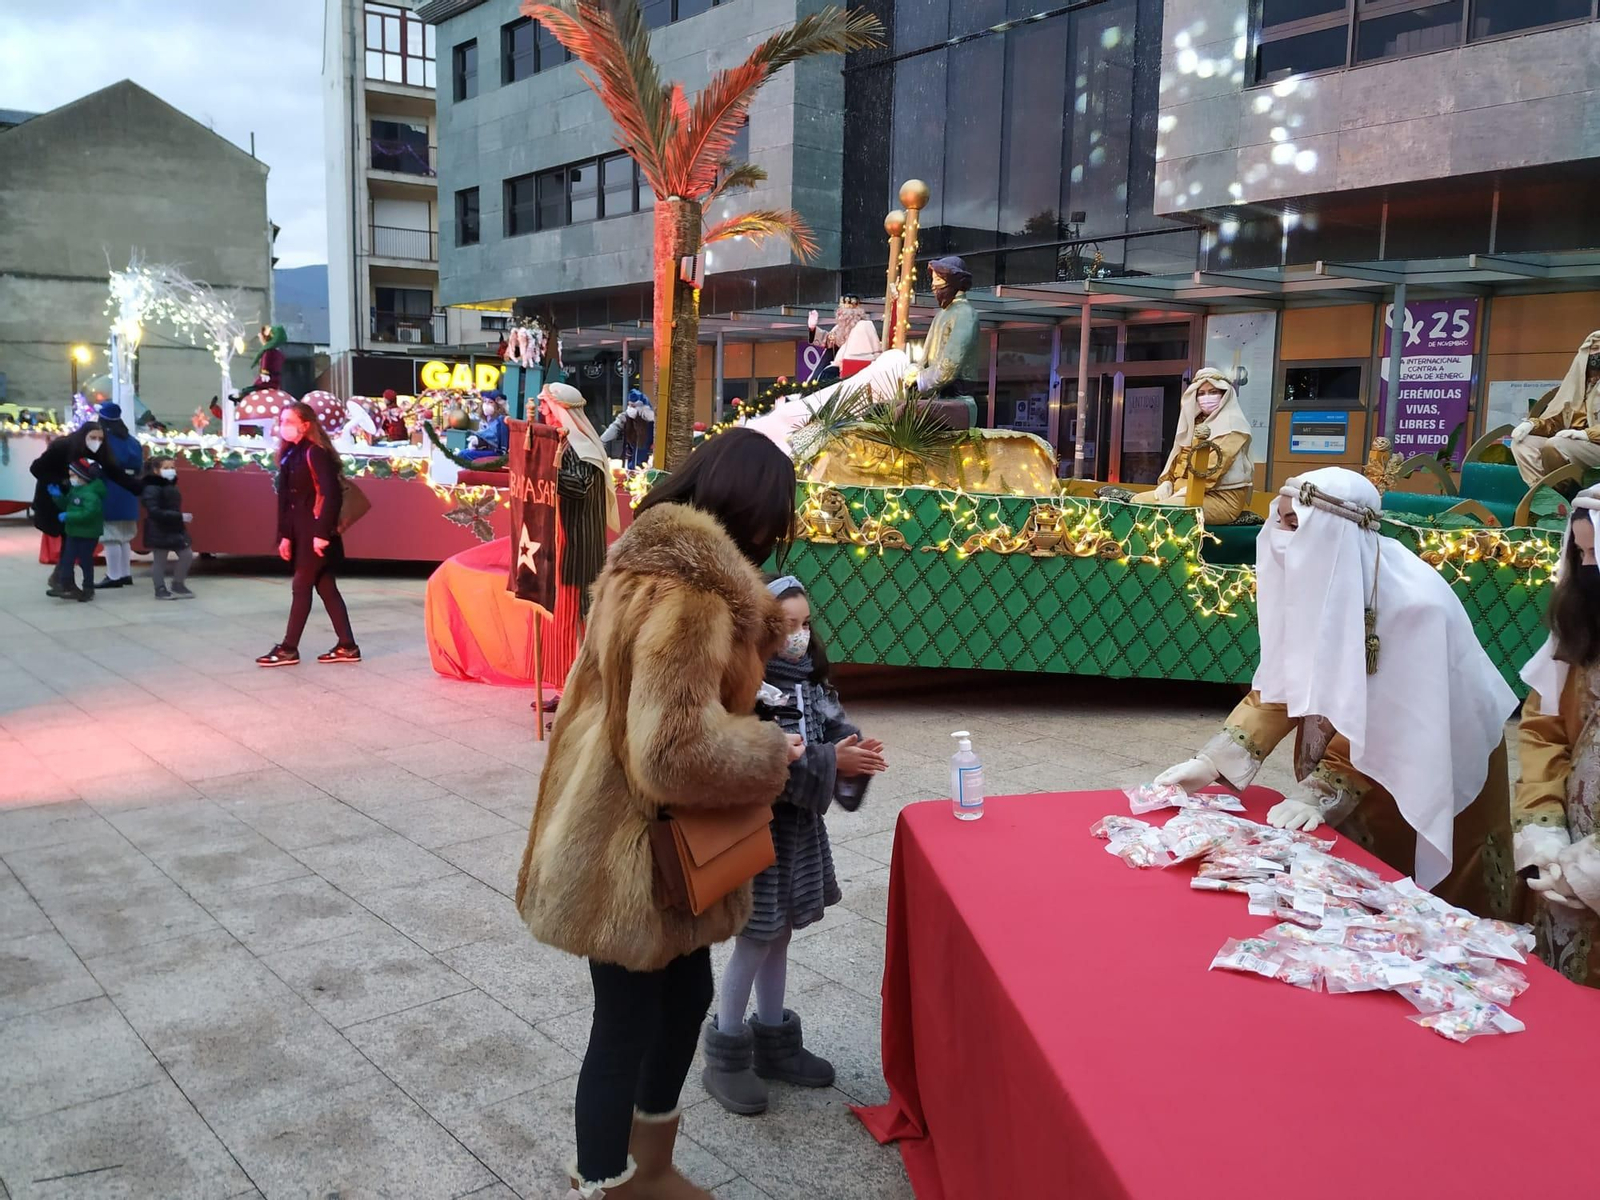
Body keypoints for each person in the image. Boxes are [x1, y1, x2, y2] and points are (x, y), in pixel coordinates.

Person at [514, 428, 805, 1200]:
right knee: (627, 1021)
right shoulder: (692, 595)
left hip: (627, 825)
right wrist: (771, 751)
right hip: (627, 843)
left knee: (682, 999)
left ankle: (648, 1167)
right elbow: (674, 751)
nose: (775, 536)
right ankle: (607, 1182)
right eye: (774, 518)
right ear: (746, 509)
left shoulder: (641, 564)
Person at [1156, 467, 1522, 920]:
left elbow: (1394, 718)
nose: (1281, 539)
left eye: (1295, 526)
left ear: (1336, 529)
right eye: (1279, 522)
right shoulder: (1319, 580)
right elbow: (1285, 680)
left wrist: (1322, 789)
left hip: (1425, 763)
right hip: (1347, 766)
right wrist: (1216, 759)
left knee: (1427, 899)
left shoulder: (1416, 605)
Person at [702, 576, 885, 1116]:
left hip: (798, 833)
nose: (800, 637)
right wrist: (832, 763)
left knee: (779, 935)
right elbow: (758, 762)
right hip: (759, 832)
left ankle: (774, 1039)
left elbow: (829, 732)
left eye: (806, 624)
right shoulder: (746, 690)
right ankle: (728, 1050)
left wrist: (850, 749)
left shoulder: (811, 683)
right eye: (787, 626)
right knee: (756, 937)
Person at [1513, 485, 1600, 984]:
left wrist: (1589, 867)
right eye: (1582, 553)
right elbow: (1544, 729)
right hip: (1562, 863)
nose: (1588, 569)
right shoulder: (1583, 623)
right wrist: (1545, 830)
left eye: (1598, 553)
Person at [256, 402, 359, 667]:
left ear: (306, 424)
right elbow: (289, 501)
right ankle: (347, 645)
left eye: (289, 421)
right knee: (326, 587)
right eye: (282, 421)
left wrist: (322, 532)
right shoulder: (292, 453)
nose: (283, 426)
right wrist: (285, 535)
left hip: (316, 533)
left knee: (301, 586)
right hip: (301, 533)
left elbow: (332, 494)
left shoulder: (315, 453)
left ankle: (289, 648)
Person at [1120, 369, 1254, 526]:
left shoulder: (1234, 425)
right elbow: (1179, 456)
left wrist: (1184, 491)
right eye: (1201, 393)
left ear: (1224, 394)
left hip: (1221, 497)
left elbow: (1214, 468)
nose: (1206, 397)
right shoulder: (1196, 421)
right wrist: (1168, 482)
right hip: (1183, 491)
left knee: (1166, 511)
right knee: (1137, 502)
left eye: (1213, 392)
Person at [28, 421, 141, 597]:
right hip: (54, 498)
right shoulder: (63, 446)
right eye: (93, 437)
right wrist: (62, 483)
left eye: (100, 438)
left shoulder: (100, 452)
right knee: (70, 539)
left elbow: (115, 473)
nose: (96, 441)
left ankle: (62, 580)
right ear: (83, 436)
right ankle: (63, 581)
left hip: (77, 500)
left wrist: (141, 488)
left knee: (71, 540)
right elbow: (36, 468)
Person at [541, 382, 620, 624]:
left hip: (576, 542)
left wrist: (544, 472)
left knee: (576, 610)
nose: (542, 409)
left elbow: (578, 486)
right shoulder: (571, 442)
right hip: (574, 539)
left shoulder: (577, 446)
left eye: (546, 404)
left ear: (560, 409)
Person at [1511, 330, 1600, 485]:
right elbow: (1555, 423)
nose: (1595, 352)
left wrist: (1587, 435)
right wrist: (1532, 424)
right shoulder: (1576, 389)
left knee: (1555, 444)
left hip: (1594, 445)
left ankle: (1559, 489)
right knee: (1523, 443)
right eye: (1592, 348)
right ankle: (1543, 492)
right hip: (1572, 444)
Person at [95, 402, 145, 588]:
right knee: (125, 535)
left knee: (110, 535)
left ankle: (114, 575)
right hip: (130, 489)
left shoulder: (104, 440)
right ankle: (125, 574)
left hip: (111, 487)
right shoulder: (132, 440)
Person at [50, 460, 107, 602]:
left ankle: (88, 588)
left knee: (85, 561)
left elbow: (89, 513)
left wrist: (70, 516)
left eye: (73, 476)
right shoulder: (76, 490)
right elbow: (67, 505)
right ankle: (66, 585)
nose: (71, 479)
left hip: (88, 534)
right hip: (73, 531)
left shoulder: (91, 494)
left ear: (83, 477)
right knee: (67, 560)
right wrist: (57, 496)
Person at [141, 457, 195, 600]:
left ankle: (178, 583)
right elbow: (154, 511)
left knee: (187, 554)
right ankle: (160, 588)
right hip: (159, 528)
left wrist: (178, 518)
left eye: (172, 467)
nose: (171, 470)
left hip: (175, 528)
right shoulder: (151, 488)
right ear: (155, 470)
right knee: (160, 560)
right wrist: (179, 516)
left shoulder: (171, 486)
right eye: (166, 468)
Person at [805, 295, 881, 383]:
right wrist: (812, 328)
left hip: (855, 369)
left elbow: (873, 352)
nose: (840, 316)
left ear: (854, 313)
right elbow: (828, 340)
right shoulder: (840, 328)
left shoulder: (864, 326)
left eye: (844, 313)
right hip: (840, 367)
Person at [600, 388, 656, 469]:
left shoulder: (653, 421)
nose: (630, 408)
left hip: (648, 464)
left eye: (633, 406)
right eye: (629, 405)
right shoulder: (625, 417)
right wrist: (602, 440)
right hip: (631, 464)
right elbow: (615, 427)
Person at [238, 324, 288, 398]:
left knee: (246, 391)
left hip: (267, 382)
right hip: (276, 381)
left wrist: (264, 373)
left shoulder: (267, 352)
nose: (259, 337)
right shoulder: (278, 353)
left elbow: (265, 364)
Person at [464, 392, 510, 459]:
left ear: (499, 406)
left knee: (464, 454)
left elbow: (493, 436)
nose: (486, 405)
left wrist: (478, 440)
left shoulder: (501, 419)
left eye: (490, 402)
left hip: (497, 452)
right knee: (464, 452)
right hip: (487, 449)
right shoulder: (485, 420)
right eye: (485, 401)